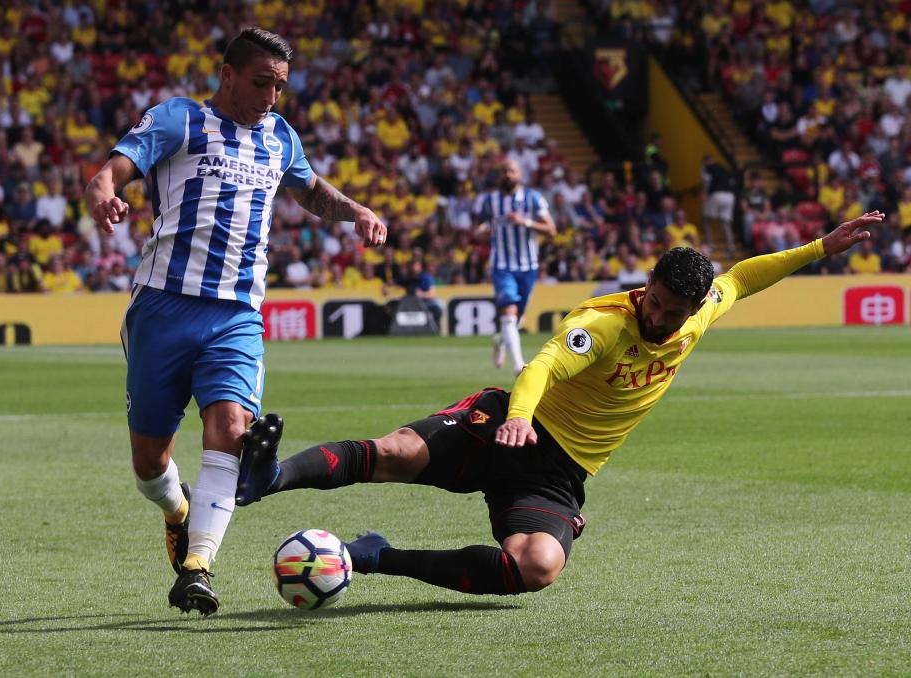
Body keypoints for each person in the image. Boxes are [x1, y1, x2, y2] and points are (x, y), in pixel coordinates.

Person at [234, 212, 881, 597]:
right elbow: (543, 364)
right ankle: (268, 479)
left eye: (668, 312)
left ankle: (375, 556)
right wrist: (517, 416)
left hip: (558, 471)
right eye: (651, 301)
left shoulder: (700, 310)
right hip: (509, 424)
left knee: (537, 568)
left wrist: (822, 247)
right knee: (396, 453)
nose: (655, 316)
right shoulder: (603, 323)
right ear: (646, 285)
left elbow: (742, 277)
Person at [84, 27, 387, 616]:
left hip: (237, 314)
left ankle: (198, 566)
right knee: (149, 463)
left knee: (229, 426)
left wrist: (357, 212)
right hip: (162, 310)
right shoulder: (179, 120)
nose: (271, 96)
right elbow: (111, 172)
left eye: (280, 86)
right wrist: (102, 194)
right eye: (260, 82)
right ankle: (177, 510)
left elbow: (310, 189)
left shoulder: (280, 136)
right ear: (227, 74)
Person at [475, 158, 556, 375]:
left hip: (528, 266)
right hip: (501, 265)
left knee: (516, 320)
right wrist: (480, 233)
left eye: (511, 171)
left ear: (520, 175)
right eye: (504, 171)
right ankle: (519, 366)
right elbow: (481, 228)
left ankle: (500, 339)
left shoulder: (532, 199)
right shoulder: (490, 200)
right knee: (509, 315)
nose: (507, 175)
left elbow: (551, 230)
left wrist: (525, 222)